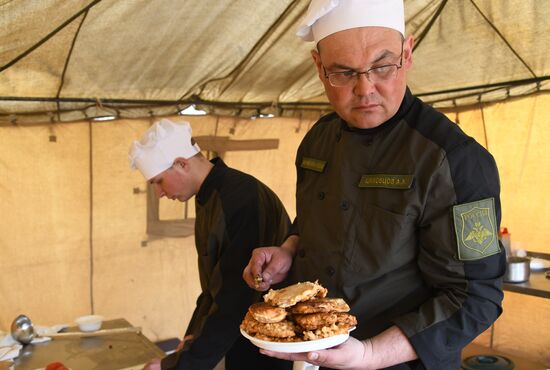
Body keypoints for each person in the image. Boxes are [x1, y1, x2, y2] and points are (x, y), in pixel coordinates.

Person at [243, 1, 505, 369]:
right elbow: (317, 220)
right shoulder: (317, 141)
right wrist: (289, 248)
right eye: (344, 73)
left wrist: (369, 354)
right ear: (319, 67)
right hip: (313, 357)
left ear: (407, 54)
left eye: (383, 66)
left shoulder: (454, 160)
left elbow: (477, 296)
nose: (365, 89)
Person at [129, 119, 292, 370]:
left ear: (182, 164)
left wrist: (176, 365)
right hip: (238, 335)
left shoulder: (241, 197)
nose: (159, 193)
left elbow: (236, 297)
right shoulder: (208, 198)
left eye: (159, 181)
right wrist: (192, 337)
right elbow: (214, 286)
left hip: (266, 339)